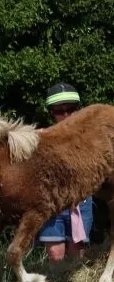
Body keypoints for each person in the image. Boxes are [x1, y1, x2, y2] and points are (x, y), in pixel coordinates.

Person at [37, 82, 94, 261]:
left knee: (77, 256)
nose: (66, 115)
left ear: (79, 109)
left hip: (80, 203)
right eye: (59, 111)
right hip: (52, 204)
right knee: (55, 255)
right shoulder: (42, 138)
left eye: (71, 109)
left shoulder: (91, 138)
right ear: (51, 113)